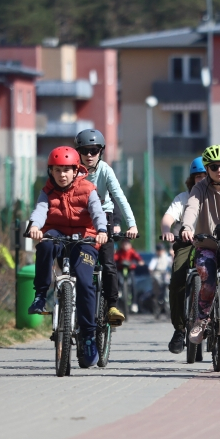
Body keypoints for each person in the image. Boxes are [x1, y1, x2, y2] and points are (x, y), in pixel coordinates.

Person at [26, 147, 109, 368]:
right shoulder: (47, 190)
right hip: (58, 233)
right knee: (44, 245)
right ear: (50, 172)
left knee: (84, 281)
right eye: (57, 170)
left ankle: (89, 336)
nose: (62, 175)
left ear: (75, 171)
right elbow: (41, 210)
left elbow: (97, 211)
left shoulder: (88, 188)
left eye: (66, 170)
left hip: (86, 238)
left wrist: (101, 230)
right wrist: (35, 226)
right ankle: (40, 295)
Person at [179, 145, 220, 345]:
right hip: (207, 243)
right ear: (207, 169)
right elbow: (191, 207)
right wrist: (187, 227)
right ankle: (203, 318)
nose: (219, 170)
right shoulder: (200, 188)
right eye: (214, 167)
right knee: (206, 276)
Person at [75, 129, 139, 327]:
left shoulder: (105, 170)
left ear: (100, 151)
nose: (89, 155)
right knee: (73, 258)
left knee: (109, 263)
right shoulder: (74, 170)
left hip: (105, 217)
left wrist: (132, 224)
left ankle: (112, 305)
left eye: (94, 151)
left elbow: (119, 196)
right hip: (80, 217)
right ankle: (69, 299)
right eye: (85, 151)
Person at [161, 158, 210, 353]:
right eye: (198, 176)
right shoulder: (184, 198)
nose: (202, 180)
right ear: (192, 179)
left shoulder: (216, 196)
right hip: (186, 243)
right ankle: (180, 329)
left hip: (212, 243)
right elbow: (168, 217)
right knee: (177, 280)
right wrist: (166, 229)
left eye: (206, 176)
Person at [148, 243, 173, 316]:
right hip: (157, 274)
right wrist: (151, 272)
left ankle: (168, 307)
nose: (160, 252)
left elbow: (171, 264)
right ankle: (157, 304)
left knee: (168, 288)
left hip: (165, 274)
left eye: (161, 250)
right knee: (157, 291)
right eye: (158, 250)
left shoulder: (167, 257)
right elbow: (151, 267)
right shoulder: (155, 258)